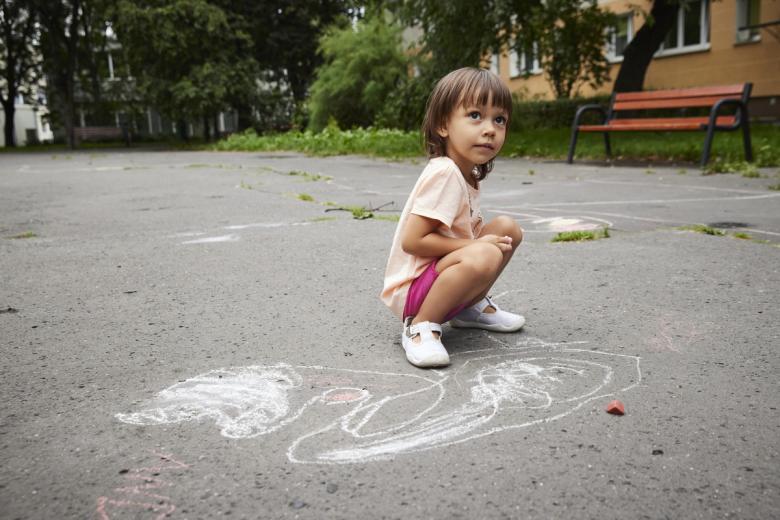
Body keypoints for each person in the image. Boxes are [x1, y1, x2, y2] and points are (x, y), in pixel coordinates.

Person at [381, 67, 525, 368]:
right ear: (443, 125)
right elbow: (413, 240)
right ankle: (420, 327)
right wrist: (472, 246)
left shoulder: (466, 172)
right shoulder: (445, 172)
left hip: (438, 276)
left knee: (508, 229)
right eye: (475, 115)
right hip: (412, 291)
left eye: (499, 120)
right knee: (484, 251)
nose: (490, 129)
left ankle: (468, 308)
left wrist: (478, 244)